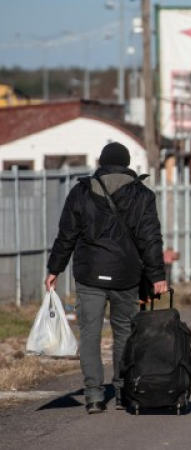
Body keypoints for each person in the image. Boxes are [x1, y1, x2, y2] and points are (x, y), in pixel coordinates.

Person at [44, 142, 168, 414]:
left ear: (101, 162)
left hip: (89, 274)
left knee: (90, 335)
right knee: (124, 332)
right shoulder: (141, 194)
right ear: (126, 164)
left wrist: (55, 268)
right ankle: (123, 392)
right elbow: (151, 239)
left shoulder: (81, 191)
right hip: (127, 274)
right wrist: (158, 276)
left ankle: (94, 396)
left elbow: (67, 235)